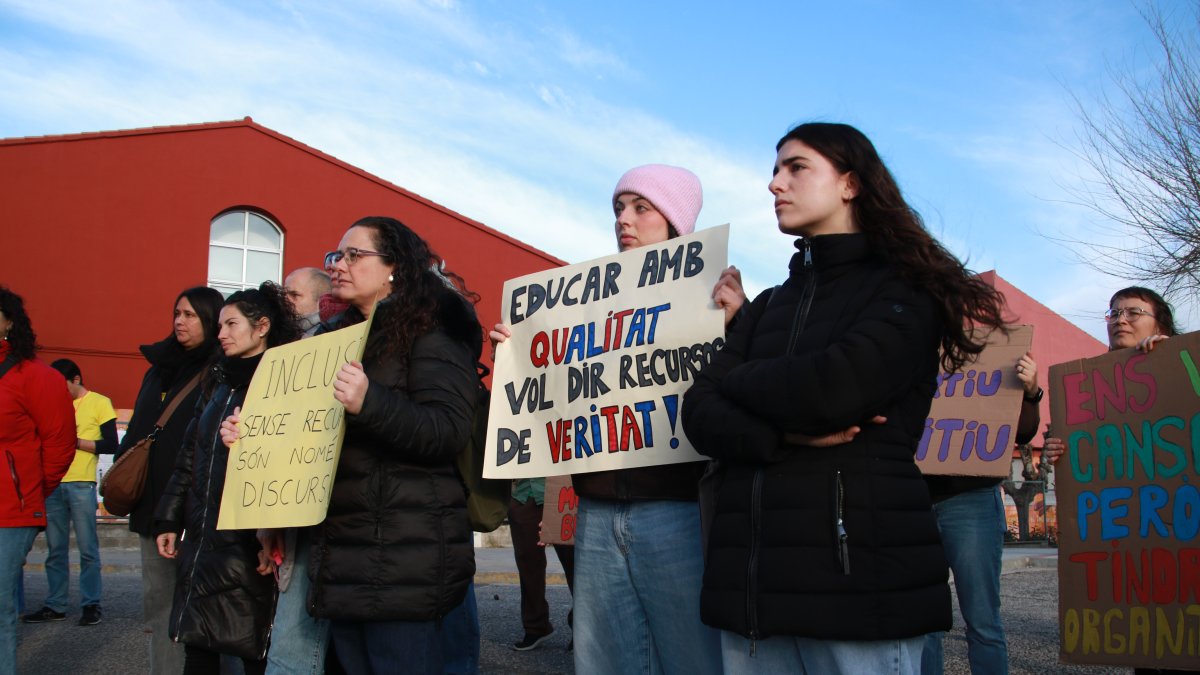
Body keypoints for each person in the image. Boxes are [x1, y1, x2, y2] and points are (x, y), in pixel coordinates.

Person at [681, 122, 1009, 674]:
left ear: (850, 184)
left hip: (858, 593)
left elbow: (831, 391)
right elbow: (697, 411)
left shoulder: (903, 290)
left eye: (796, 167)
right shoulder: (766, 306)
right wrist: (780, 433)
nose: (774, 184)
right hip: (755, 602)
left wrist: (739, 380)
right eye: (775, 169)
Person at [490, 163, 744, 674]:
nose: (624, 220)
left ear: (675, 220)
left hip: (677, 510)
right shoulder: (587, 304)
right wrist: (522, 360)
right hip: (598, 511)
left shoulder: (715, 293)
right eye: (618, 209)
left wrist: (740, 323)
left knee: (692, 658)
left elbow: (746, 392)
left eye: (641, 208)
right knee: (606, 660)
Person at [294, 216, 482, 673]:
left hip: (404, 561)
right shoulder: (329, 342)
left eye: (355, 255)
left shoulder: (432, 331)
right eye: (336, 255)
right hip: (342, 556)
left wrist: (370, 401)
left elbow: (447, 429)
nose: (339, 264)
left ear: (394, 267)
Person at [1039, 287, 1190, 675]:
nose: (1120, 319)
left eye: (1133, 312)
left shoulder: (1187, 364)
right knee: (1151, 645)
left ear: (1161, 322)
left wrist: (1172, 354)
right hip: (1134, 536)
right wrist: (1060, 450)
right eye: (1114, 313)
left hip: (1185, 526)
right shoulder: (1091, 391)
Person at [154, 282, 302, 674]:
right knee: (198, 644)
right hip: (204, 537)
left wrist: (273, 536)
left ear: (262, 327)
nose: (221, 334)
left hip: (249, 538)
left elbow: (291, 463)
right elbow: (190, 453)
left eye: (231, 324)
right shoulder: (219, 382)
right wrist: (169, 517)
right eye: (219, 325)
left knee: (253, 646)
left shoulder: (284, 383)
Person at [120, 285, 225, 674]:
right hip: (153, 505)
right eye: (177, 314)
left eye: (191, 315)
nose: (180, 322)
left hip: (197, 509)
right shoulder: (158, 368)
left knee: (206, 611)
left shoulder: (219, 372)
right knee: (162, 607)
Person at [921, 351, 1042, 675]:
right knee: (923, 622)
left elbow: (1022, 433)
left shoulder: (989, 356)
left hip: (970, 498)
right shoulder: (909, 352)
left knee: (982, 618)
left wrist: (1030, 391)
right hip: (915, 501)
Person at [0, 287, 76, 673]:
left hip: (10, 510)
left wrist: (28, 488)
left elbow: (60, 444)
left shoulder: (36, 377)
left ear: (9, 321)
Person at [21, 359, 118, 627]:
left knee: (88, 549)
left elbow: (111, 444)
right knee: (55, 549)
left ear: (76, 380)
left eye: (62, 385)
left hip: (81, 484)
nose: (58, 390)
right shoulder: (51, 402)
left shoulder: (99, 402)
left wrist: (73, 442)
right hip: (52, 484)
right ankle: (56, 604)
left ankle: (91, 604)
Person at [507, 477, 575, 651]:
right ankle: (535, 626)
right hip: (524, 492)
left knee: (575, 564)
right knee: (528, 564)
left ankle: (582, 627)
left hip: (563, 488)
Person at [284, 267, 332, 337]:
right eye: (283, 294)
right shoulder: (280, 333)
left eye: (294, 295)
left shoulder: (327, 337)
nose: (285, 300)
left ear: (321, 302)